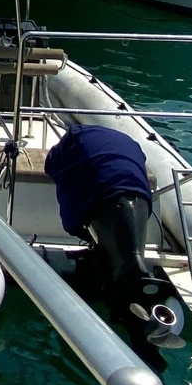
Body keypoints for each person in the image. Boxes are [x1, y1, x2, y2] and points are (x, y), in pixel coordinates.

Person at [44, 124, 184, 345]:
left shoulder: (65, 152)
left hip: (107, 190)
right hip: (134, 189)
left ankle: (120, 280)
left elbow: (67, 200)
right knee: (128, 255)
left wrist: (76, 228)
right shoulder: (129, 143)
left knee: (121, 259)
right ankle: (131, 275)